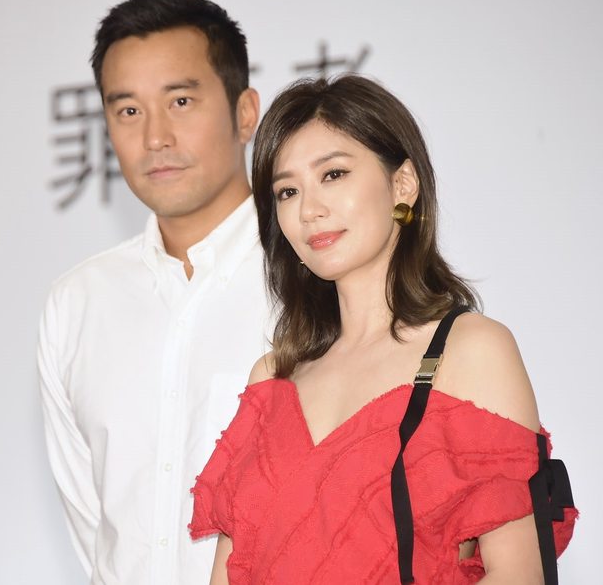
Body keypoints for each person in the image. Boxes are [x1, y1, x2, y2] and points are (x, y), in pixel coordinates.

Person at [189, 75, 576, 584]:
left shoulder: (470, 350)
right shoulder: (273, 377)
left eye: (333, 174)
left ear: (403, 184)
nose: (309, 209)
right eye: (287, 191)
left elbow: (519, 575)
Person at [38, 0, 271, 585]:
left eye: (181, 101)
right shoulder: (78, 303)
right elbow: (96, 532)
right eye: (128, 111)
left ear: (245, 113)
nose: (155, 138)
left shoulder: (313, 282)